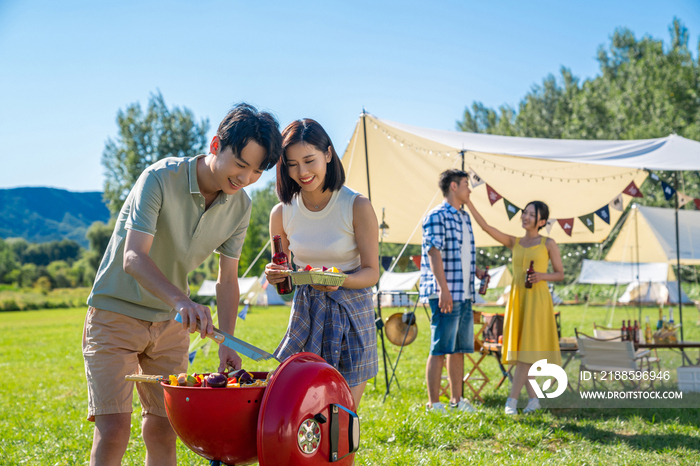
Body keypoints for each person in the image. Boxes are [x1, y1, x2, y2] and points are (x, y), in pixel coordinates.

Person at [82, 103, 282, 465]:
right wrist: (182, 303)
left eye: (257, 170)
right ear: (216, 144)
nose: (246, 177)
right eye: (241, 164)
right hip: (116, 314)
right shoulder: (160, 178)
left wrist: (226, 340)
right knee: (114, 432)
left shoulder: (241, 207)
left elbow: (227, 279)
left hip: (171, 326)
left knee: (164, 429)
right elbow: (133, 258)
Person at [264, 118, 379, 409]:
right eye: (291, 164)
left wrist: (338, 280)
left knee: (341, 410)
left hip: (352, 310)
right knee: (301, 406)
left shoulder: (356, 205)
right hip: (307, 311)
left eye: (309, 160)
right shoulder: (282, 213)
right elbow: (286, 283)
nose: (301, 172)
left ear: (328, 154)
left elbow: (372, 273)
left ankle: (341, 455)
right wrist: (278, 277)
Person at [465, 198, 563, 414]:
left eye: (531, 215)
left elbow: (560, 273)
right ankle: (534, 400)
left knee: (524, 352)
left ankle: (511, 400)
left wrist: (541, 276)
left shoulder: (548, 243)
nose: (525, 217)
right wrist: (469, 202)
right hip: (517, 299)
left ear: (542, 221)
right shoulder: (514, 242)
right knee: (522, 351)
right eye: (524, 212)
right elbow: (486, 227)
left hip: (537, 300)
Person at [420, 169, 485, 413]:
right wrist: (443, 289)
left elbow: (460, 253)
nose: (470, 189)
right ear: (454, 187)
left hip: (465, 292)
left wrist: (477, 271)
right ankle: (433, 403)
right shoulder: (437, 215)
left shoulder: (464, 217)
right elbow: (434, 252)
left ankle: (457, 401)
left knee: (459, 348)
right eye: (467, 184)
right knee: (440, 347)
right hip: (446, 292)